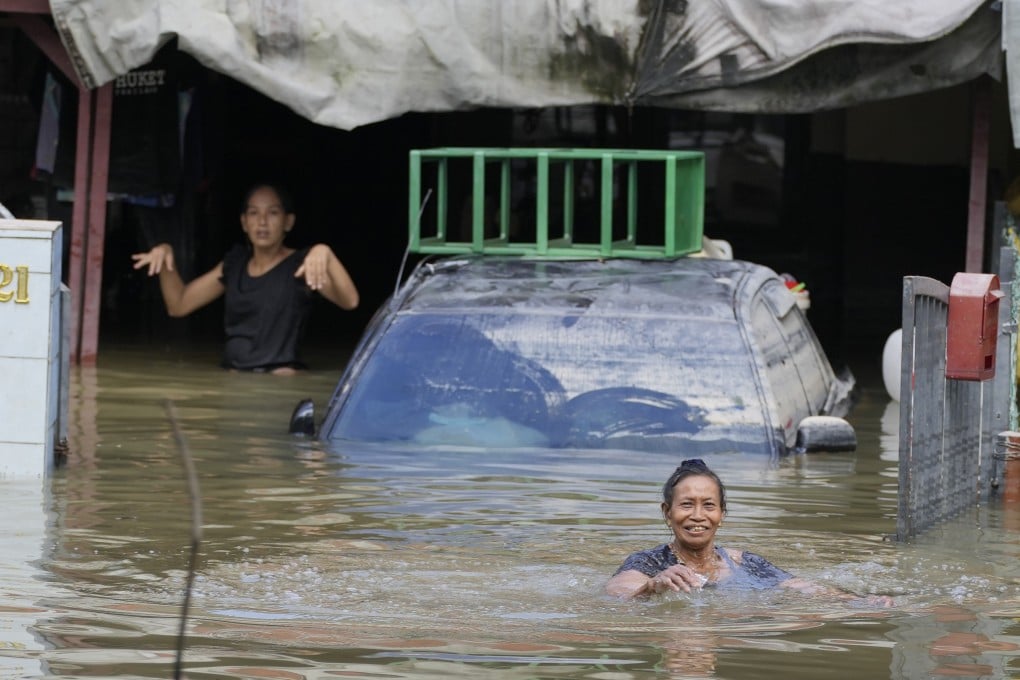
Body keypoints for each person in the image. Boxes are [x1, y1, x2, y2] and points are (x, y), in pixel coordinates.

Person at [131, 183, 359, 375]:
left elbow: (350, 301)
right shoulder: (234, 264)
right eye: (253, 213)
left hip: (278, 384)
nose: (262, 222)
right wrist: (165, 258)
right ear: (243, 222)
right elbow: (178, 305)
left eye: (273, 213)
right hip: (234, 379)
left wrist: (326, 253)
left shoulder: (304, 265)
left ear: (288, 222)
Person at [605, 458, 893, 604]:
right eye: (686, 505)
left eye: (708, 505)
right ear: (667, 513)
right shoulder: (649, 563)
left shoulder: (743, 562)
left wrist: (857, 601)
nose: (697, 516)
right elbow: (617, 594)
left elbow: (799, 586)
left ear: (722, 514)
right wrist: (652, 587)